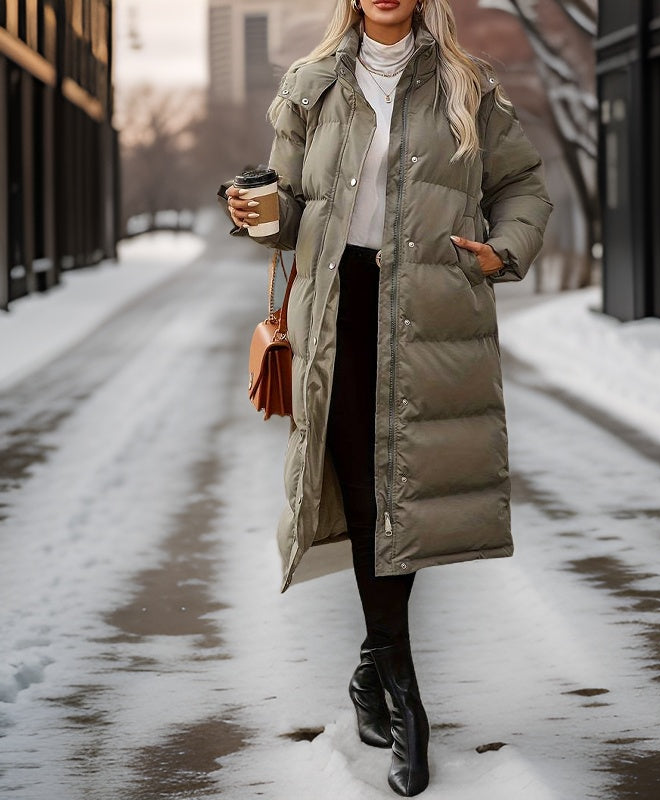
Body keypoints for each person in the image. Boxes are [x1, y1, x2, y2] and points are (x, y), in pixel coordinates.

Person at [221, 0, 552, 795]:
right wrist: (259, 213)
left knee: (400, 492)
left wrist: (500, 253)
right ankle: (396, 680)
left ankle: (388, 684)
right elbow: (294, 210)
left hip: (430, 310)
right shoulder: (310, 85)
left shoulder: (467, 86)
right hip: (338, 311)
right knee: (369, 497)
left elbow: (524, 187)